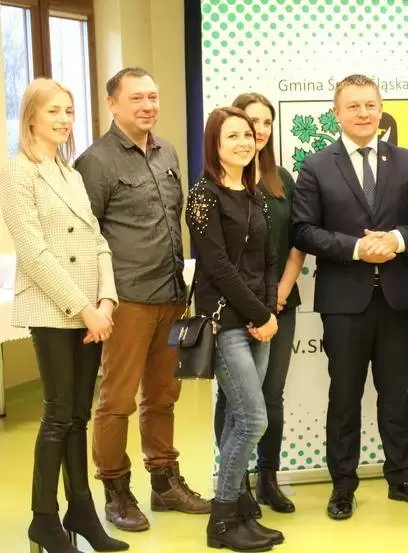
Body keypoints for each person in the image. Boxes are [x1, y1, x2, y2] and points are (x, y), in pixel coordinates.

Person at [292, 74, 408, 520]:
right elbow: (303, 230)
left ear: (381, 111)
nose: (363, 113)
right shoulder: (316, 166)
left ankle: (402, 478)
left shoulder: (407, 161)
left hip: (397, 297)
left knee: (395, 394)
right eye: (353, 106)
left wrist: (397, 240)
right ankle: (343, 486)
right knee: (344, 396)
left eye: (370, 105)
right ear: (336, 113)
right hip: (343, 301)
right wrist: (358, 248)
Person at [74, 67, 210, 532]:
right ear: (112, 104)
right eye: (136, 98)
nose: (148, 106)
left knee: (163, 395)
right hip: (126, 299)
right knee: (117, 401)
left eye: (153, 97)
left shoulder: (167, 151)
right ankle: (116, 491)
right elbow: (86, 237)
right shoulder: (96, 162)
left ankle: (165, 482)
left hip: (171, 294)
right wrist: (99, 302)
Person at [0, 78, 128, 552]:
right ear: (31, 116)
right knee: (58, 414)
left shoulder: (69, 173)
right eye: (53, 110)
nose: (64, 119)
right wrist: (85, 308)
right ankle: (43, 519)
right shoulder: (18, 172)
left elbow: (97, 241)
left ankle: (81, 511)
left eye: (69, 111)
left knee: (78, 416)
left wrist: (107, 301)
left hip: (91, 308)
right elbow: (34, 253)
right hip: (54, 308)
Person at [187, 107, 283, 551]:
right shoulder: (203, 196)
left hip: (259, 319)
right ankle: (222, 520)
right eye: (233, 136)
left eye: (248, 135)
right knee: (251, 419)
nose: (245, 142)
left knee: (236, 416)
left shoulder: (254, 194)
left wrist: (267, 310)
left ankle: (238, 511)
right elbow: (218, 266)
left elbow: (269, 259)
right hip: (225, 321)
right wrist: (258, 315)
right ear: (215, 144)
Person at [212, 92, 305, 515]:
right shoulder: (218, 186)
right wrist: (257, 307)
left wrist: (278, 295)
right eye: (252, 123)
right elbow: (220, 261)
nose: (259, 131)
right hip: (238, 308)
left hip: (279, 300)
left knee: (272, 395)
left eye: (267, 123)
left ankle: (268, 477)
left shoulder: (281, 179)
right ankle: (236, 486)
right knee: (234, 401)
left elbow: (297, 242)